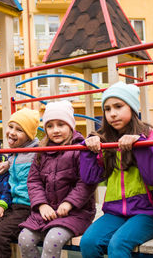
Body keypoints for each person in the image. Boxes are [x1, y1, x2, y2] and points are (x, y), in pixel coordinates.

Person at [79, 81, 153, 258]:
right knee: (88, 242)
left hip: (148, 212)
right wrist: (88, 150)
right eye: (108, 109)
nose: (112, 114)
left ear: (132, 108)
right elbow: (90, 177)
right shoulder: (106, 139)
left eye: (118, 106)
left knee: (118, 245)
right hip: (116, 211)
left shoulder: (150, 136)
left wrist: (140, 145)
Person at [18, 100, 97, 258]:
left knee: (52, 240)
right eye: (50, 125)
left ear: (71, 126)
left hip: (76, 212)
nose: (55, 130)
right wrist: (41, 205)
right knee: (24, 239)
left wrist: (69, 203)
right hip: (47, 211)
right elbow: (34, 181)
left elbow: (86, 182)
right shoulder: (42, 151)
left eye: (61, 124)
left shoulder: (80, 149)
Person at [0, 107, 40, 258]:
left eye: (19, 130)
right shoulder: (14, 153)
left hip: (28, 207)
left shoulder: (37, 153)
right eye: (10, 127)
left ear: (29, 136)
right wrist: (8, 163)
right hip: (13, 206)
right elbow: (14, 160)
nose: (11, 132)